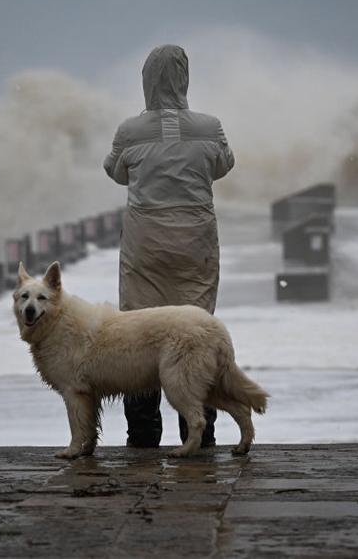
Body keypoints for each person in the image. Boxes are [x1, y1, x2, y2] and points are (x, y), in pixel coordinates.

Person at [103, 44, 235, 448]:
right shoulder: (210, 127)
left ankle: (142, 436)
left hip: (146, 244)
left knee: (139, 335)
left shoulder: (130, 130)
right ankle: (199, 435)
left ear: (147, 81)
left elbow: (115, 171)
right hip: (195, 241)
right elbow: (224, 164)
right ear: (184, 79)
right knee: (193, 334)